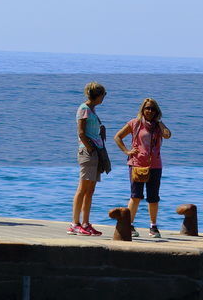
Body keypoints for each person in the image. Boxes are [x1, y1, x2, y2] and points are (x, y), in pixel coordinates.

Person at [114, 97, 172, 238]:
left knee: (153, 197)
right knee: (136, 196)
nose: (150, 111)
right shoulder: (135, 123)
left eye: (153, 108)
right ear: (142, 109)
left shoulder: (158, 126)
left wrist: (161, 124)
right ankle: (129, 224)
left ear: (156, 111)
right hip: (137, 164)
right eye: (147, 108)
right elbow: (117, 137)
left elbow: (168, 135)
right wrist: (127, 151)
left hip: (155, 165)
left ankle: (153, 226)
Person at [70, 82, 107, 236]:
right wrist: (90, 148)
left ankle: (85, 222)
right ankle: (75, 223)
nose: (103, 98)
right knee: (83, 188)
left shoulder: (92, 110)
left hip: (95, 151)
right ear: (97, 95)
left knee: (90, 190)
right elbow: (81, 132)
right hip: (87, 152)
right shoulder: (84, 109)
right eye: (102, 95)